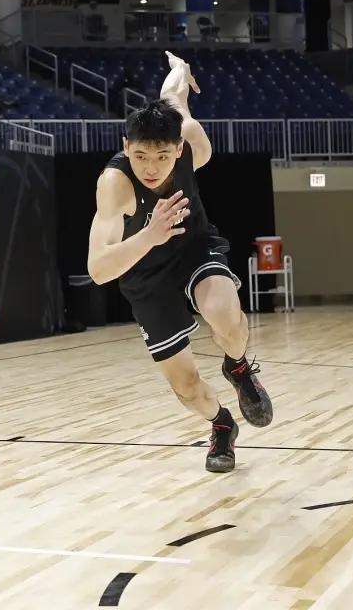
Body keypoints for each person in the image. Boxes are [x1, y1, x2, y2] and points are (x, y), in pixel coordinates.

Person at [87, 51, 273, 473]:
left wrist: (180, 69)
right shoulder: (115, 184)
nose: (150, 168)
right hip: (143, 272)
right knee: (187, 386)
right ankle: (222, 425)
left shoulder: (192, 141)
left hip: (193, 247)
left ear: (179, 147)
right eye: (140, 156)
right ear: (126, 147)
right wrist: (149, 235)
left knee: (223, 312)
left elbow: (174, 96)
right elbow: (98, 269)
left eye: (162, 156)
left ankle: (238, 367)